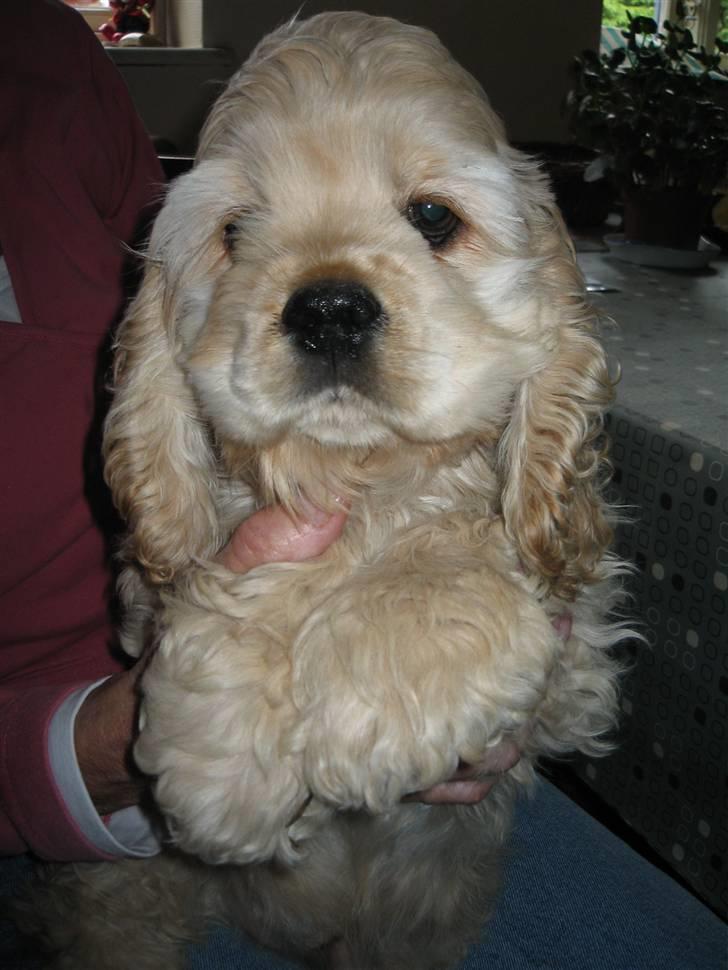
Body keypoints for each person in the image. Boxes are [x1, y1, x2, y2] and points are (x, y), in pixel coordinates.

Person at [1, 3, 725, 969]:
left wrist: (472, 612)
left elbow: (573, 670)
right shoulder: (170, 365)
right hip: (127, 846)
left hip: (424, 906)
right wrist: (179, 693)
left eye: (433, 218)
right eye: (243, 229)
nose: (329, 298)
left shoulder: (44, 57)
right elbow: (163, 569)